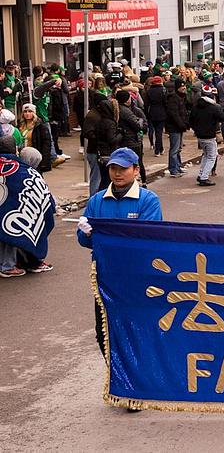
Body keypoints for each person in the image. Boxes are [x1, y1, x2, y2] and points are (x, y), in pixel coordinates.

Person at [77, 147, 162, 401]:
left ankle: (136, 384)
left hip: (137, 278)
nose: (117, 174)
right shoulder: (97, 201)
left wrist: (112, 236)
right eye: (113, 168)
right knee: (104, 332)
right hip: (105, 278)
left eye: (123, 169)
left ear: (136, 170)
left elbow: (150, 238)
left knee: (136, 330)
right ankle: (122, 378)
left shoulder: (148, 200)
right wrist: (87, 233)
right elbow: (84, 240)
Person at [0, 133, 56, 278]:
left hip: (8, 211)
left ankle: (11, 263)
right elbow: (41, 194)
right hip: (17, 214)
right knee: (17, 231)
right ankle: (9, 265)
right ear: (15, 150)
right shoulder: (25, 170)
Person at [188, 85, 224, 187]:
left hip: (200, 136)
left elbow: (191, 121)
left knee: (206, 155)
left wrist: (196, 130)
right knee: (212, 156)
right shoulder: (213, 108)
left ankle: (201, 174)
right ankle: (204, 177)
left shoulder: (195, 107)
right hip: (209, 136)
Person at [164, 80, 190, 177]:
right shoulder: (173, 98)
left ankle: (178, 166)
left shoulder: (182, 97)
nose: (184, 88)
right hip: (174, 127)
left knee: (178, 148)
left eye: (184, 86)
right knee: (174, 149)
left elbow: (183, 112)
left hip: (179, 127)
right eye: (182, 86)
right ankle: (173, 169)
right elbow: (174, 114)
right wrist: (181, 124)